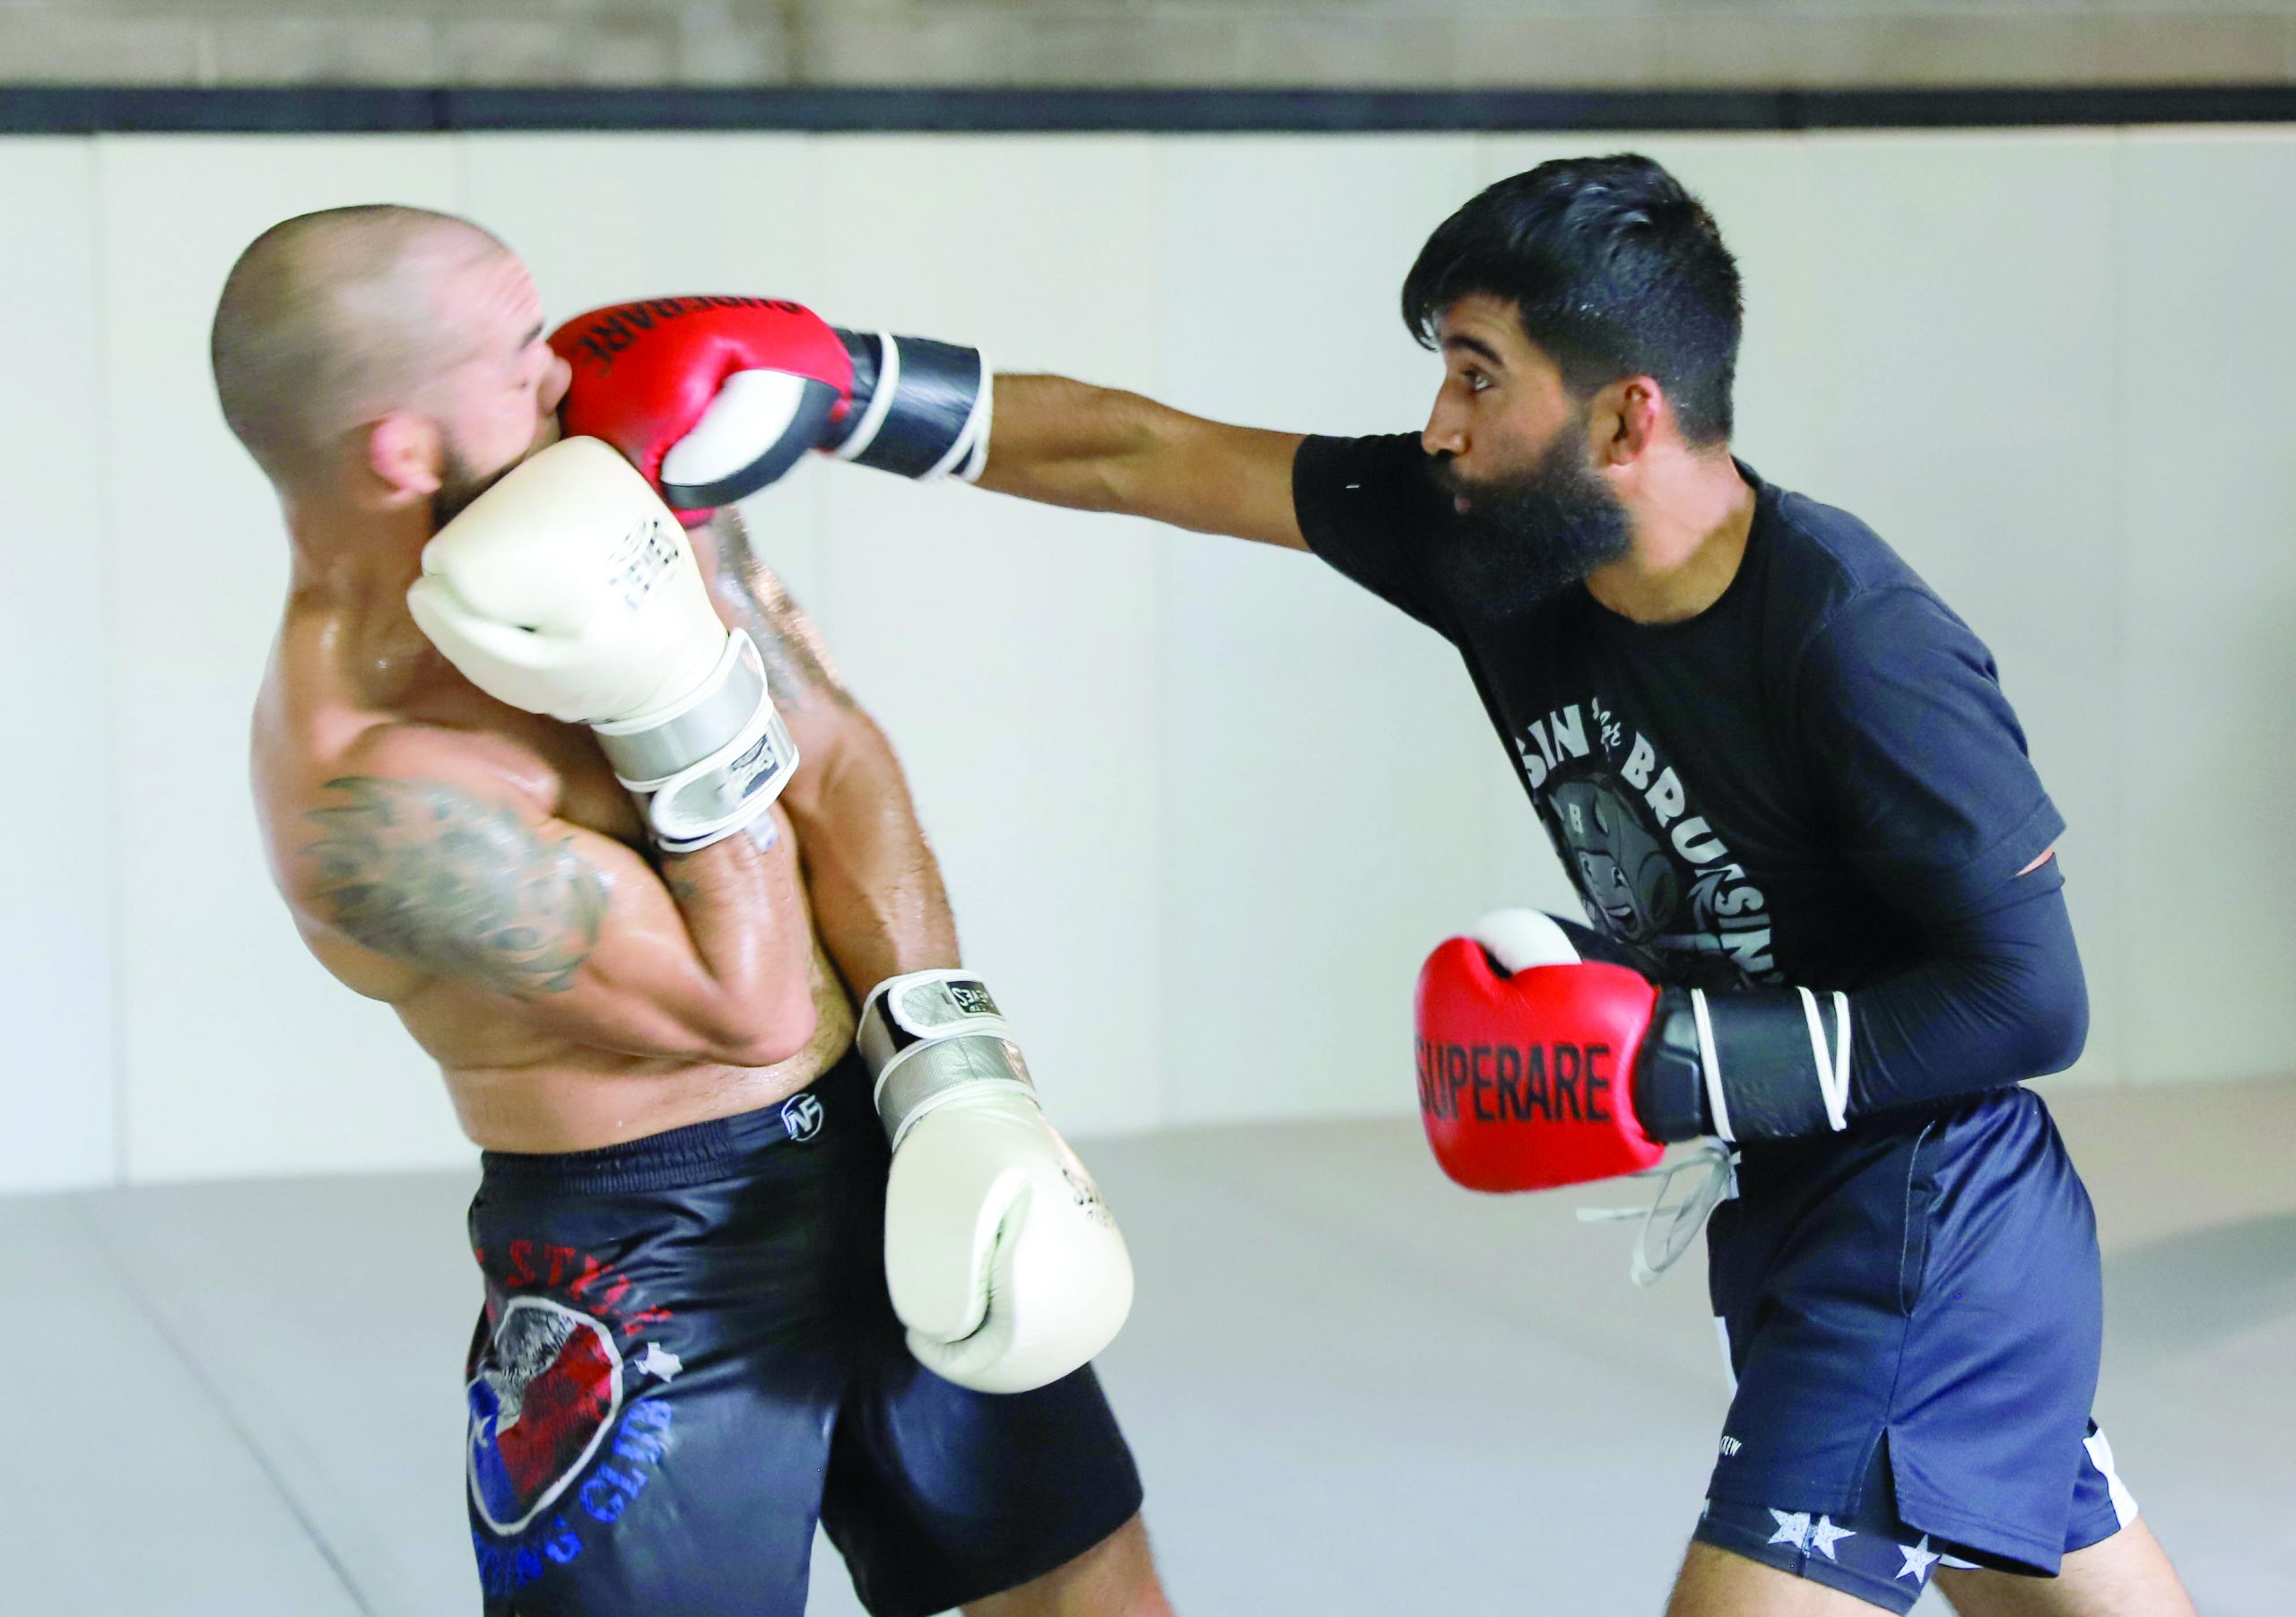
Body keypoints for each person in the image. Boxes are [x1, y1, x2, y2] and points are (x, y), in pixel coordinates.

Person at [554, 155, 2198, 1616]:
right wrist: (843, 385)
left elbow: (2031, 999)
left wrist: (1668, 1060)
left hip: (1931, 1215)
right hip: (1797, 1203)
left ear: (1628, 412)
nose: (1440, 425)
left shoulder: (1855, 639)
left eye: (1481, 377)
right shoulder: (1492, 545)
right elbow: (1143, 452)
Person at [214, 204, 1166, 1617]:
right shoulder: (367, 790)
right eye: (514, 353)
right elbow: (746, 1002)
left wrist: (957, 1075)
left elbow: (833, 752)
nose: (558, 374)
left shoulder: (598, 498)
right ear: (398, 450)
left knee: (1094, 1595)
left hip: (884, 1133)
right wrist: (670, 702)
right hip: (649, 1260)